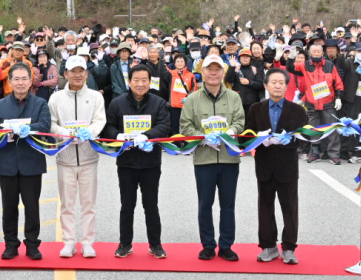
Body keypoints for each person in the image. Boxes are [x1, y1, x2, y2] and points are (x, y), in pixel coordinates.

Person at [182, 55, 246, 261]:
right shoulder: (192, 99)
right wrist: (203, 138)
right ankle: (208, 245)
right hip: (204, 159)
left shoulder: (234, 97)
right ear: (203, 71)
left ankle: (226, 245)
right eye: (210, 69)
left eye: (218, 69)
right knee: (205, 203)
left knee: (228, 204)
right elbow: (185, 126)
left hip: (229, 159)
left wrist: (227, 134)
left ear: (223, 73)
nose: (213, 73)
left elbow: (239, 122)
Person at [104, 64, 172, 259]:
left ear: (150, 82)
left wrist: (147, 135)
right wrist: (117, 135)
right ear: (129, 82)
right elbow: (108, 125)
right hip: (126, 163)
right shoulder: (117, 103)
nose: (140, 84)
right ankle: (125, 244)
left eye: (144, 80)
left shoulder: (158, 103)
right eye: (136, 80)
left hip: (151, 162)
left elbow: (165, 125)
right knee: (127, 205)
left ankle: (155, 244)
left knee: (151, 204)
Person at [0, 62, 52, 260]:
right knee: (8, 206)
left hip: (32, 162)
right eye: (16, 79)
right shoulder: (1, 105)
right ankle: (10, 244)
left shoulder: (40, 103)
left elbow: (45, 125)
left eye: (25, 78)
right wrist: (3, 132)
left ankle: (32, 244)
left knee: (32, 206)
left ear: (31, 80)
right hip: (7, 163)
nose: (21, 82)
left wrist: (28, 128)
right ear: (10, 81)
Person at [247, 68, 307, 264]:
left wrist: (289, 141)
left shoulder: (297, 110)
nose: (278, 85)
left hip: (287, 166)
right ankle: (268, 246)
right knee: (265, 206)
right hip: (264, 165)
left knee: (290, 207)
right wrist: (259, 141)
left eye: (281, 82)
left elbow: (305, 137)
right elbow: (247, 134)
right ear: (265, 85)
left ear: (286, 85)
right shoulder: (256, 109)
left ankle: (289, 248)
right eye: (273, 82)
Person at [50, 55, 107, 258]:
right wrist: (65, 133)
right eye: (73, 71)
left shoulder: (96, 97)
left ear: (86, 73)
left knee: (88, 203)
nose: (77, 75)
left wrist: (89, 132)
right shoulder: (56, 98)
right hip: (65, 158)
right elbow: (52, 123)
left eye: (81, 71)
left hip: (88, 157)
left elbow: (100, 120)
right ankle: (69, 242)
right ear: (65, 74)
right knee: (67, 203)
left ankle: (88, 242)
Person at [293, 41, 344, 164]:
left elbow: (338, 82)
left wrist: (338, 97)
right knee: (313, 129)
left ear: (323, 53)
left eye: (319, 51)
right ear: (310, 53)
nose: (316, 53)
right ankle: (315, 153)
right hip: (311, 103)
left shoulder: (330, 65)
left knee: (332, 129)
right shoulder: (304, 65)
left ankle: (334, 155)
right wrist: (290, 57)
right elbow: (292, 68)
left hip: (328, 103)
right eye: (314, 51)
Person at [168, 52, 197, 128]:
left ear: (185, 63)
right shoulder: (170, 74)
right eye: (177, 61)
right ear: (174, 63)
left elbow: (194, 89)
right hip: (174, 106)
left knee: (186, 126)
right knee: (174, 127)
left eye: (182, 61)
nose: (179, 63)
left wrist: (188, 98)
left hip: (185, 105)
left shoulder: (190, 75)